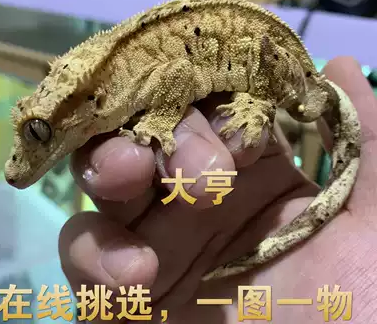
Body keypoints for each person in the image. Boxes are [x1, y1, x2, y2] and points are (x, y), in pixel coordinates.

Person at [58, 56, 377, 323]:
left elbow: (181, 70)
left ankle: (257, 108)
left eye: (39, 132)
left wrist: (163, 119)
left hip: (264, 65)